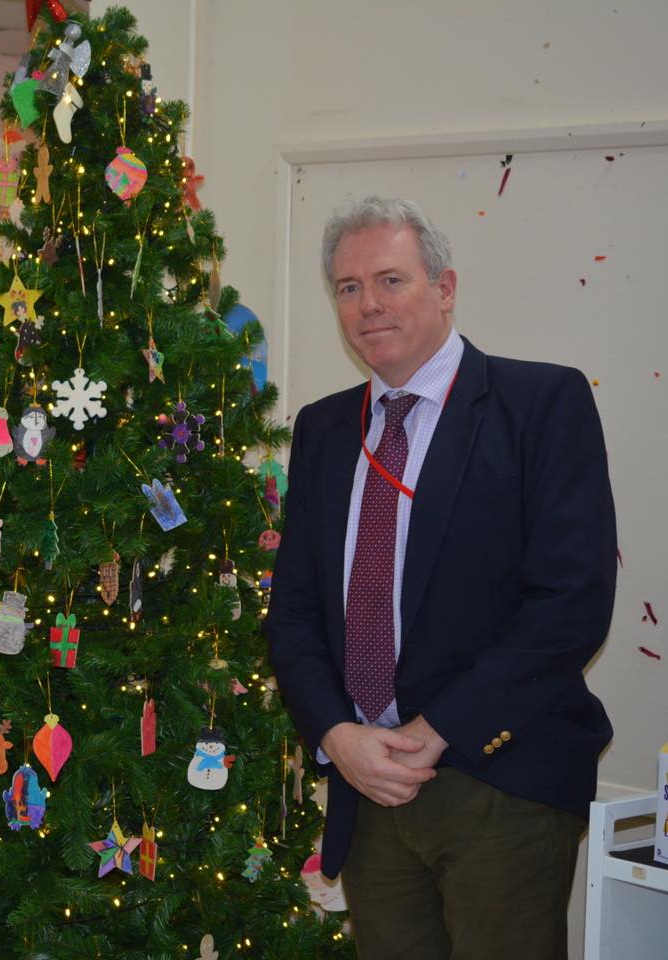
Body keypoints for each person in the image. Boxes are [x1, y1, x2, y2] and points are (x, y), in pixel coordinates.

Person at [265, 196, 617, 959]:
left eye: (389, 280)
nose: (367, 305)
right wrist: (337, 736)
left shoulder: (539, 403)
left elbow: (569, 604)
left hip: (498, 776)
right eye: (347, 287)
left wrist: (433, 733)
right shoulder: (325, 429)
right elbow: (291, 612)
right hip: (366, 789)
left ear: (444, 288)